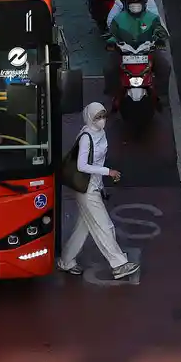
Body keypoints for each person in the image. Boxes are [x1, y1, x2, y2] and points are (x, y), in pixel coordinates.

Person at [56, 102, 141, 280]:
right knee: (105, 226)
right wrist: (108, 172)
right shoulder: (87, 136)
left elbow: (97, 162)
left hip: (92, 186)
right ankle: (119, 264)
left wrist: (102, 182)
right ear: (89, 118)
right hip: (85, 189)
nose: (102, 120)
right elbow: (82, 165)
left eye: (103, 116)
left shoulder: (100, 133)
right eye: (97, 117)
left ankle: (66, 261)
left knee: (83, 227)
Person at [105, 0, 171, 103]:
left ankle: (162, 95)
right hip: (124, 51)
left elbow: (159, 30)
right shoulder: (118, 19)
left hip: (147, 50)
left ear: (144, 4)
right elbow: (112, 34)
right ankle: (112, 94)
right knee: (109, 68)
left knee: (165, 67)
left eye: (138, 4)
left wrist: (160, 39)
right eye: (132, 4)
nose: (135, 7)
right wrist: (111, 42)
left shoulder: (152, 18)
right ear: (126, 3)